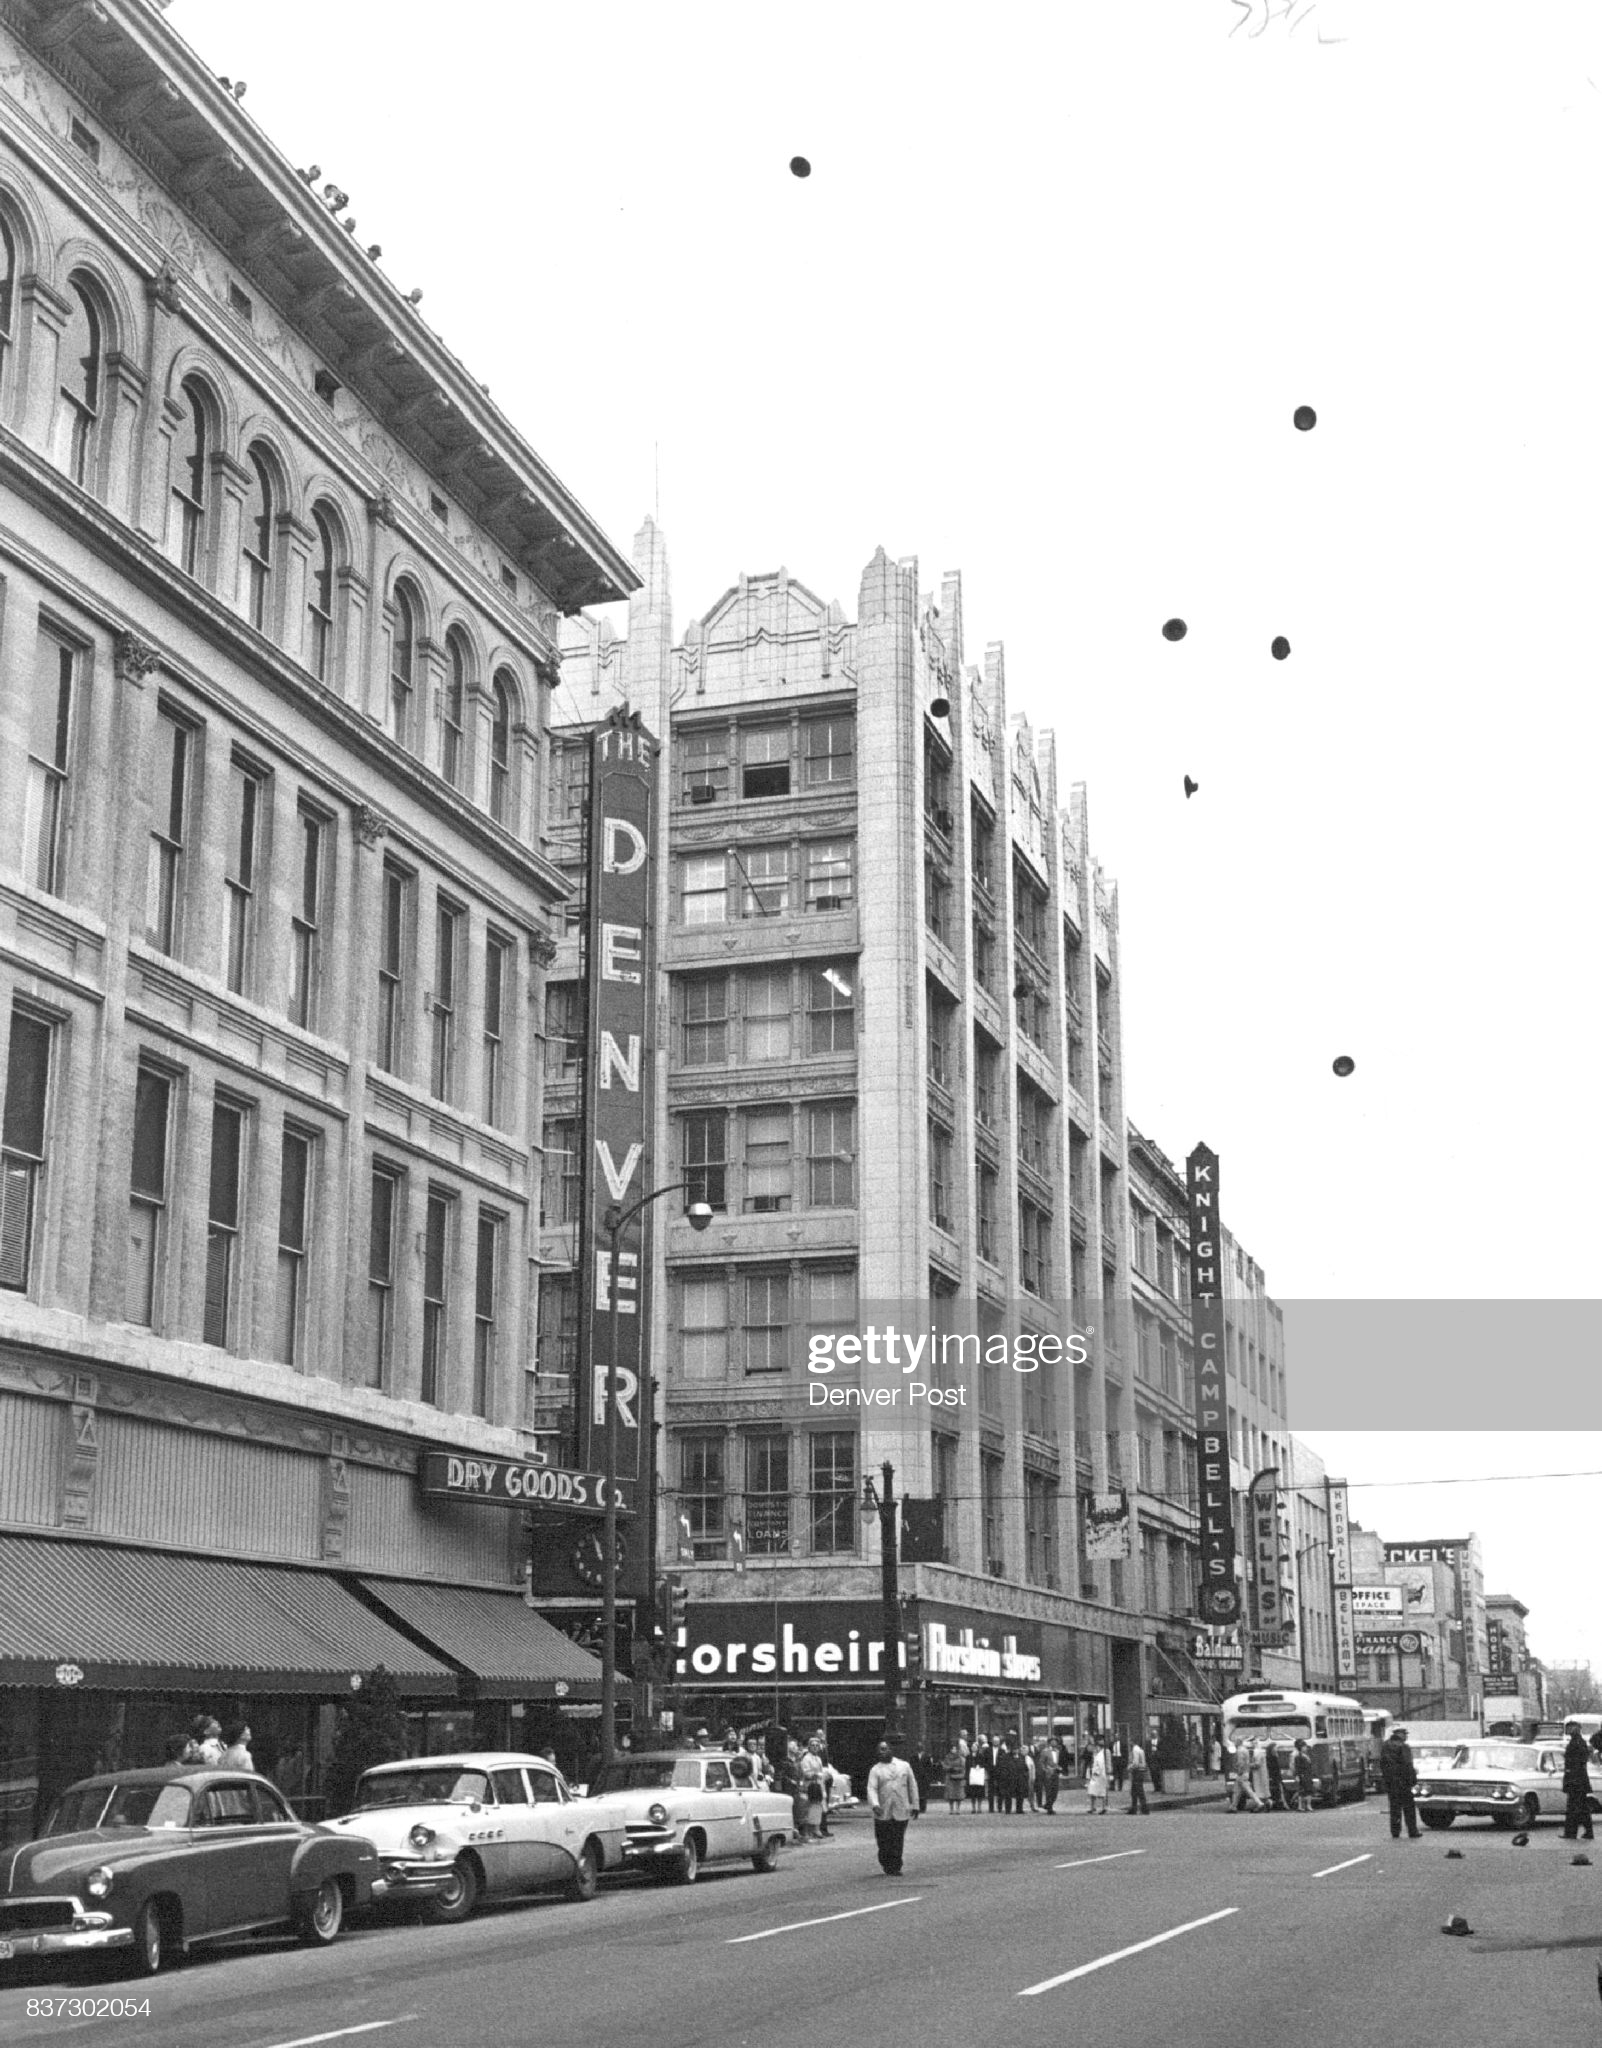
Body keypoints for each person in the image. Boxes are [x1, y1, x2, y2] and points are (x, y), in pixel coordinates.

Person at [866, 1740, 920, 1875]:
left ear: (891, 1750)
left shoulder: (904, 1766)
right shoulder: (875, 1769)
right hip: (883, 1810)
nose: (882, 1752)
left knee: (897, 1838)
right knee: (883, 1840)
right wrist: (875, 1804)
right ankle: (885, 1862)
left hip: (901, 1808)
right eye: (879, 1750)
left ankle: (895, 1866)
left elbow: (912, 1786)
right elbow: (871, 1788)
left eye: (884, 1749)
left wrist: (915, 1805)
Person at [1379, 1726, 1421, 1839]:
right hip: (1404, 1782)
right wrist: (1413, 1781)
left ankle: (1395, 1831)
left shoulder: (1385, 1746)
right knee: (1409, 1808)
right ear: (1400, 1734)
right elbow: (1408, 1765)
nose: (1406, 1736)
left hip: (1391, 1782)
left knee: (1394, 1808)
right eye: (1405, 1734)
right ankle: (1412, 1831)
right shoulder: (1404, 1747)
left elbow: (1383, 1764)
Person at [1562, 1721, 1596, 1842]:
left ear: (1576, 1729)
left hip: (1576, 1780)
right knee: (1581, 1807)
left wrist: (1571, 1777)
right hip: (1577, 1779)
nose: (1568, 1730)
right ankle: (1587, 1832)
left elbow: (1578, 1762)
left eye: (1570, 1728)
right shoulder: (1576, 1742)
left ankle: (1571, 1832)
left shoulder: (1577, 1742)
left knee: (1574, 1807)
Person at [1035, 1738, 1061, 1814]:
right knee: (1049, 1791)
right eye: (1052, 1742)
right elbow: (1041, 1762)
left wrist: (1058, 1767)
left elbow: (1055, 1762)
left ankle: (1048, 1804)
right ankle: (1050, 1808)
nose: (1054, 1743)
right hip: (1048, 1774)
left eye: (1055, 1742)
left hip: (1055, 1772)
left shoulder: (1057, 1751)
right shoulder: (1045, 1751)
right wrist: (1045, 1770)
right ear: (1049, 1743)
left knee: (1055, 1791)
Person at [1086, 1738, 1111, 1815]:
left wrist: (1097, 1772)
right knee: (1093, 1791)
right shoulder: (1097, 1754)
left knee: (1100, 1792)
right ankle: (1093, 1807)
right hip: (1097, 1776)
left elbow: (1100, 1765)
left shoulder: (1101, 1755)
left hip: (1098, 1776)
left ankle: (1103, 1807)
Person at [1127, 1735, 1150, 1815]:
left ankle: (1142, 1808)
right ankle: (1136, 1808)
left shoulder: (1135, 1750)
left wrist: (1129, 1767)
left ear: (1132, 1741)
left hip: (1137, 1772)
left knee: (1138, 1791)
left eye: (1130, 1741)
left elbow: (1136, 1763)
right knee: (1136, 1791)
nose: (1129, 1742)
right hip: (1141, 1771)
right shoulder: (1140, 1749)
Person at [1291, 1738, 1316, 1812]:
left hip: (1308, 1774)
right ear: (1300, 1748)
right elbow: (1297, 1767)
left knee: (1309, 1790)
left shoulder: (1306, 1756)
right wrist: (1297, 1775)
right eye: (1304, 1747)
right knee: (1303, 1791)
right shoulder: (1298, 1757)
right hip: (1303, 1775)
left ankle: (1307, 1805)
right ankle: (1302, 1806)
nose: (1306, 1748)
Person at [943, 1740, 968, 1813]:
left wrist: (957, 1769)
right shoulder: (947, 1757)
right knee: (950, 1794)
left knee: (958, 1795)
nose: (954, 1750)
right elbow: (944, 1766)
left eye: (955, 1749)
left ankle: (958, 1809)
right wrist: (950, 1768)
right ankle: (951, 1809)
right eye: (952, 1749)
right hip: (950, 1777)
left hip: (958, 1778)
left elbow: (963, 1767)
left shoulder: (960, 1758)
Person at [1265, 1741, 1286, 1812]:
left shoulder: (1274, 1756)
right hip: (1273, 1776)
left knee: (1279, 1790)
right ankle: (1280, 1804)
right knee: (1277, 1790)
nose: (1276, 1749)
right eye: (1275, 1748)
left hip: (1276, 1776)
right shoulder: (1271, 1758)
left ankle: (1280, 1803)